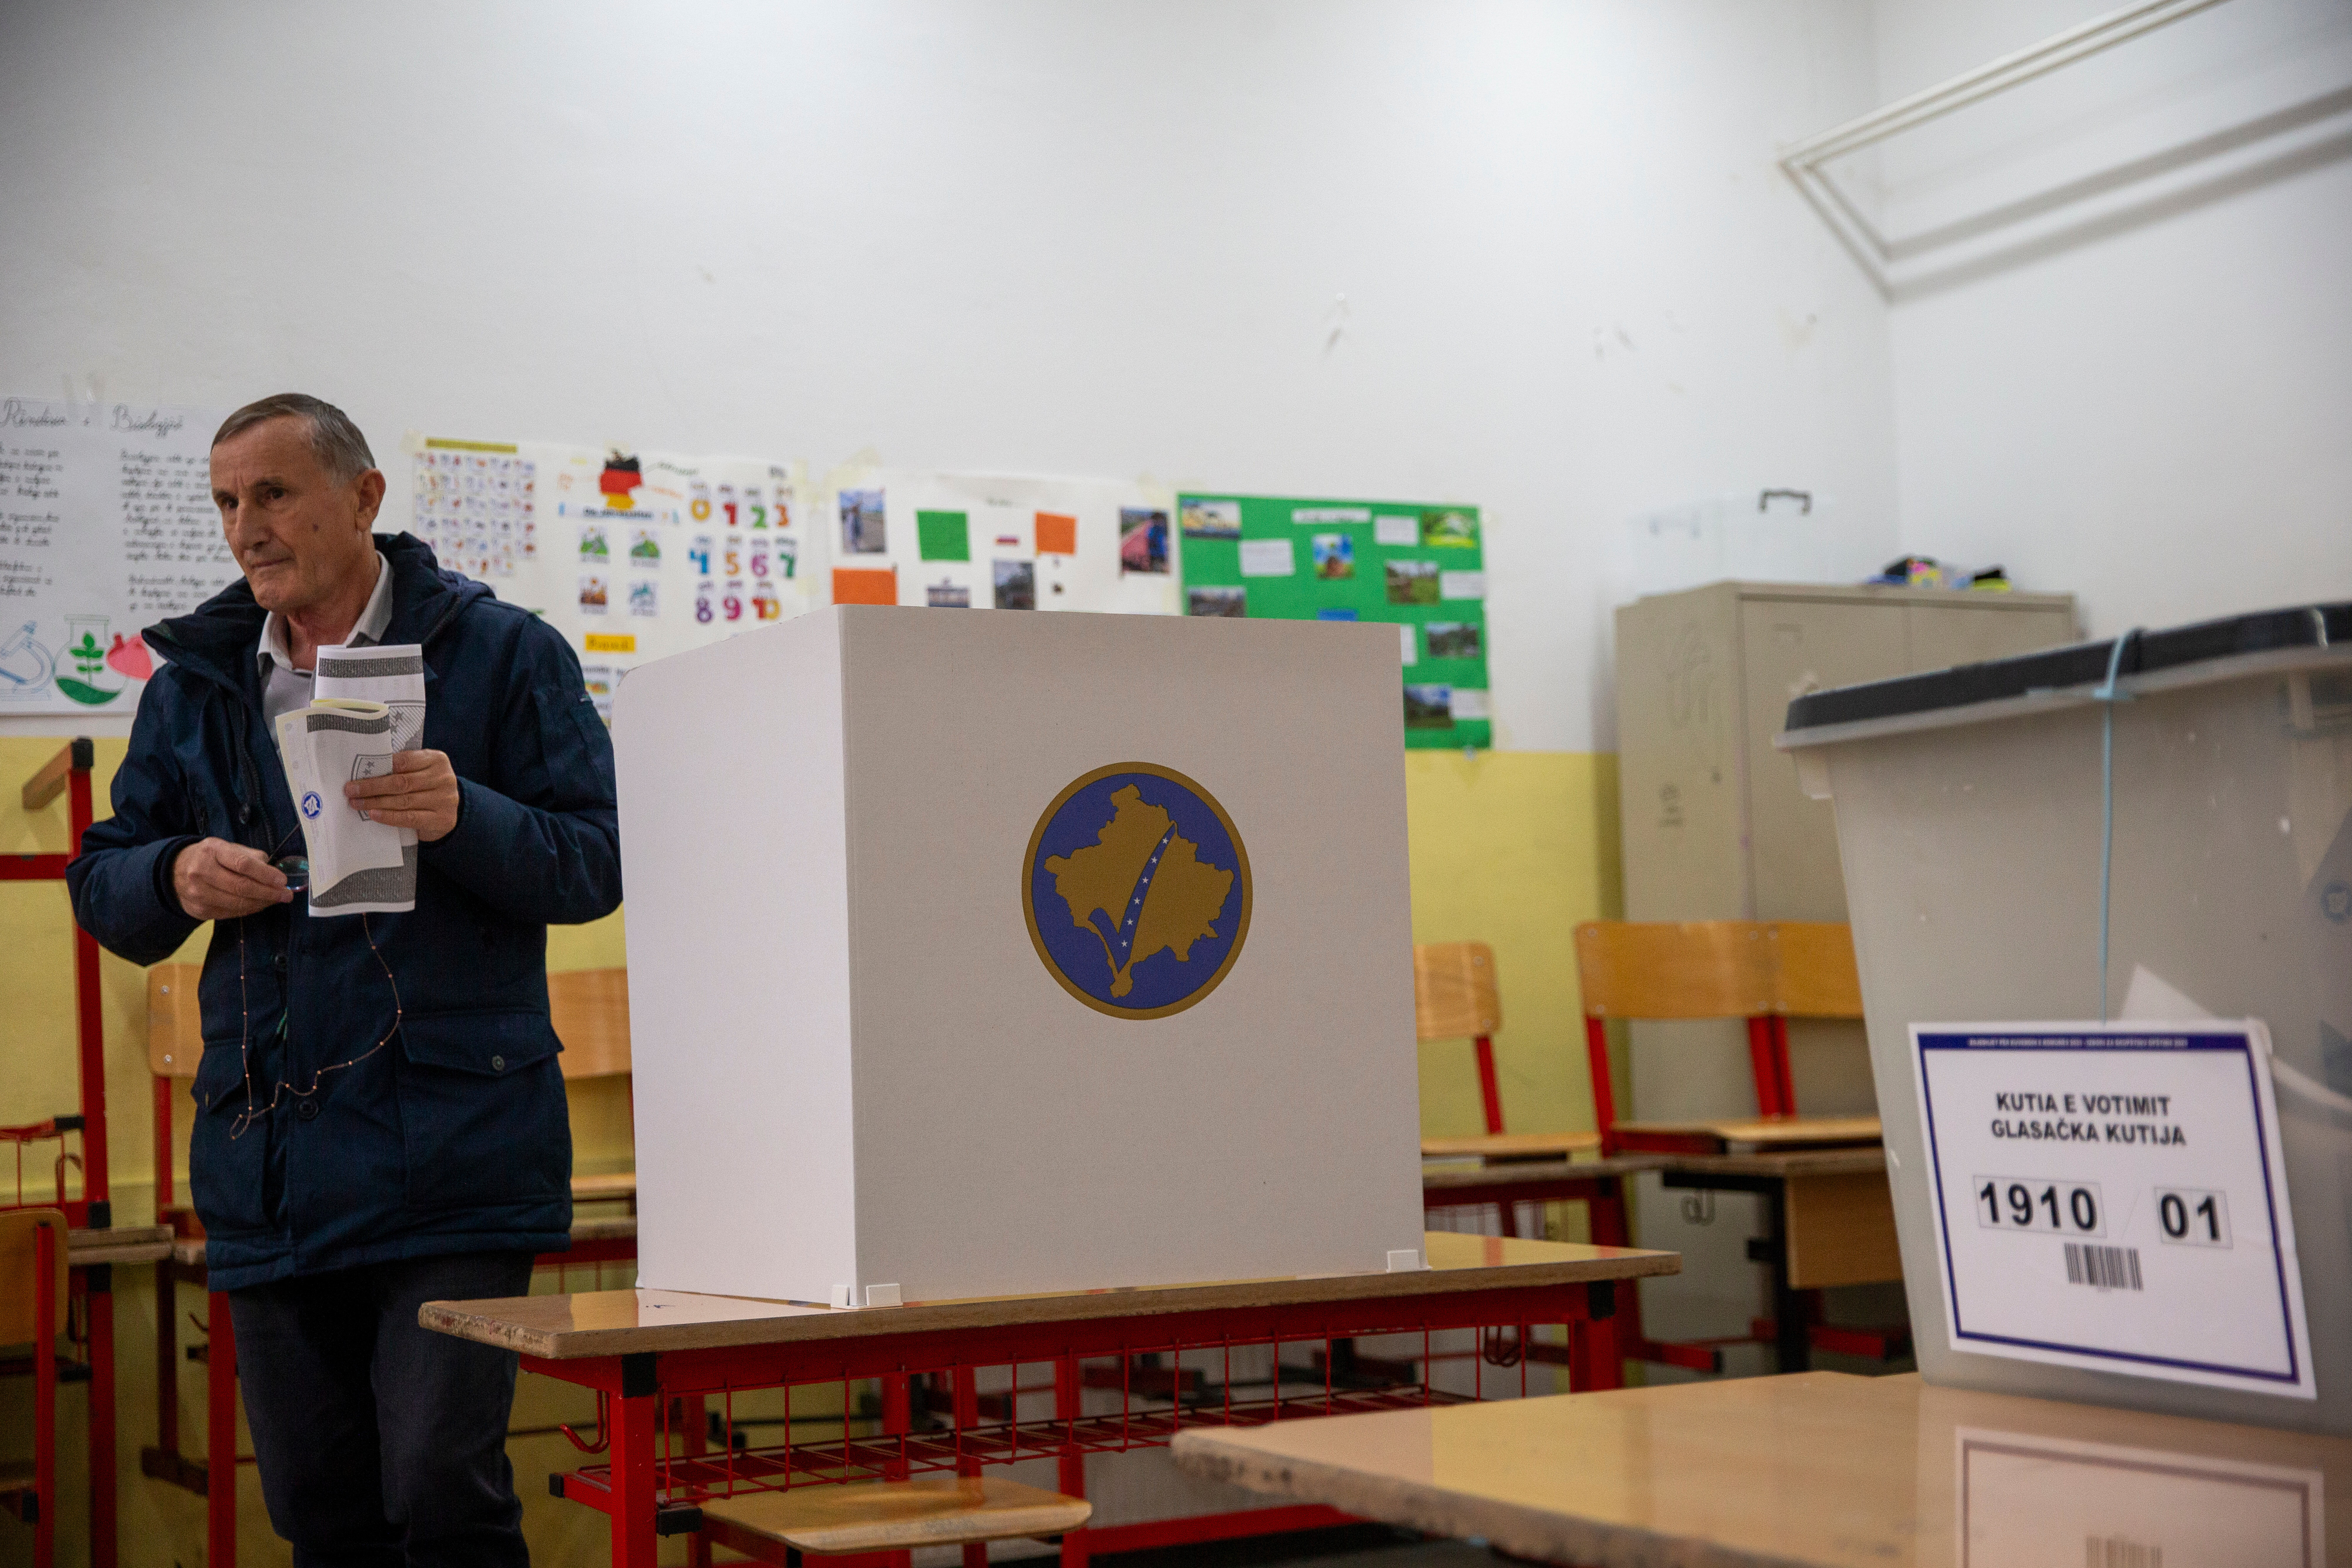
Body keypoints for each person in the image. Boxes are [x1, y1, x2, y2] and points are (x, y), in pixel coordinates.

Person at [69, 393, 622, 1565]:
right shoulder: (195, 685)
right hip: (269, 1156)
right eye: (227, 501)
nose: (244, 527)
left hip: (459, 1147)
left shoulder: (505, 652)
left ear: (364, 497)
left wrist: (468, 811)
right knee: (320, 1510)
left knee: (437, 1485)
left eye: (272, 493)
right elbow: (102, 881)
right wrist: (173, 873)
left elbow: (595, 862)